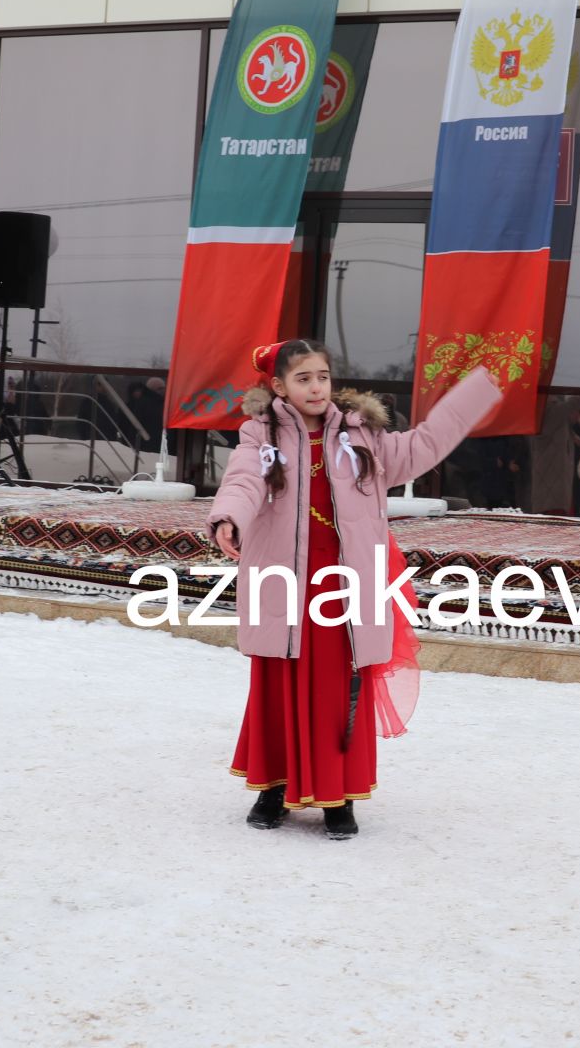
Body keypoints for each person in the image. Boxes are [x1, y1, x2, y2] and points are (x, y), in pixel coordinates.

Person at [208, 340, 500, 838]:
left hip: (346, 583)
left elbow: (424, 445)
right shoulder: (260, 435)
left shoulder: (363, 435)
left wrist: (475, 393)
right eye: (303, 378)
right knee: (280, 682)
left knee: (340, 686)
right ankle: (273, 787)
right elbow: (241, 483)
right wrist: (228, 518)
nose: (316, 386)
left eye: (322, 376)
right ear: (279, 387)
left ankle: (339, 795)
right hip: (286, 581)